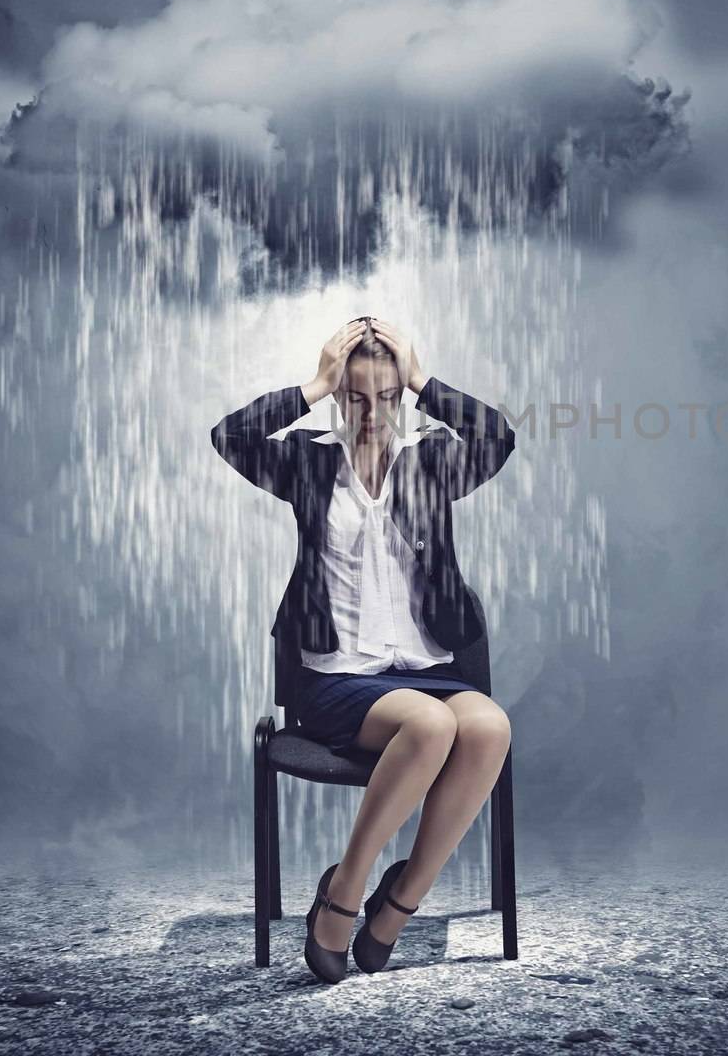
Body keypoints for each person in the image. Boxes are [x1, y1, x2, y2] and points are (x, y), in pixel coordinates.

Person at [209, 316, 516, 983]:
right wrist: (314, 384)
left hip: (424, 665)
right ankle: (343, 893)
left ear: (401, 398)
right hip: (335, 674)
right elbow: (228, 436)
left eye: (386, 398)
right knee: (430, 726)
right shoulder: (308, 464)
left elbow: (499, 436)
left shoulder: (432, 463)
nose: (371, 414)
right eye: (355, 397)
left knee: (489, 728)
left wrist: (422, 379)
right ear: (339, 398)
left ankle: (396, 907)